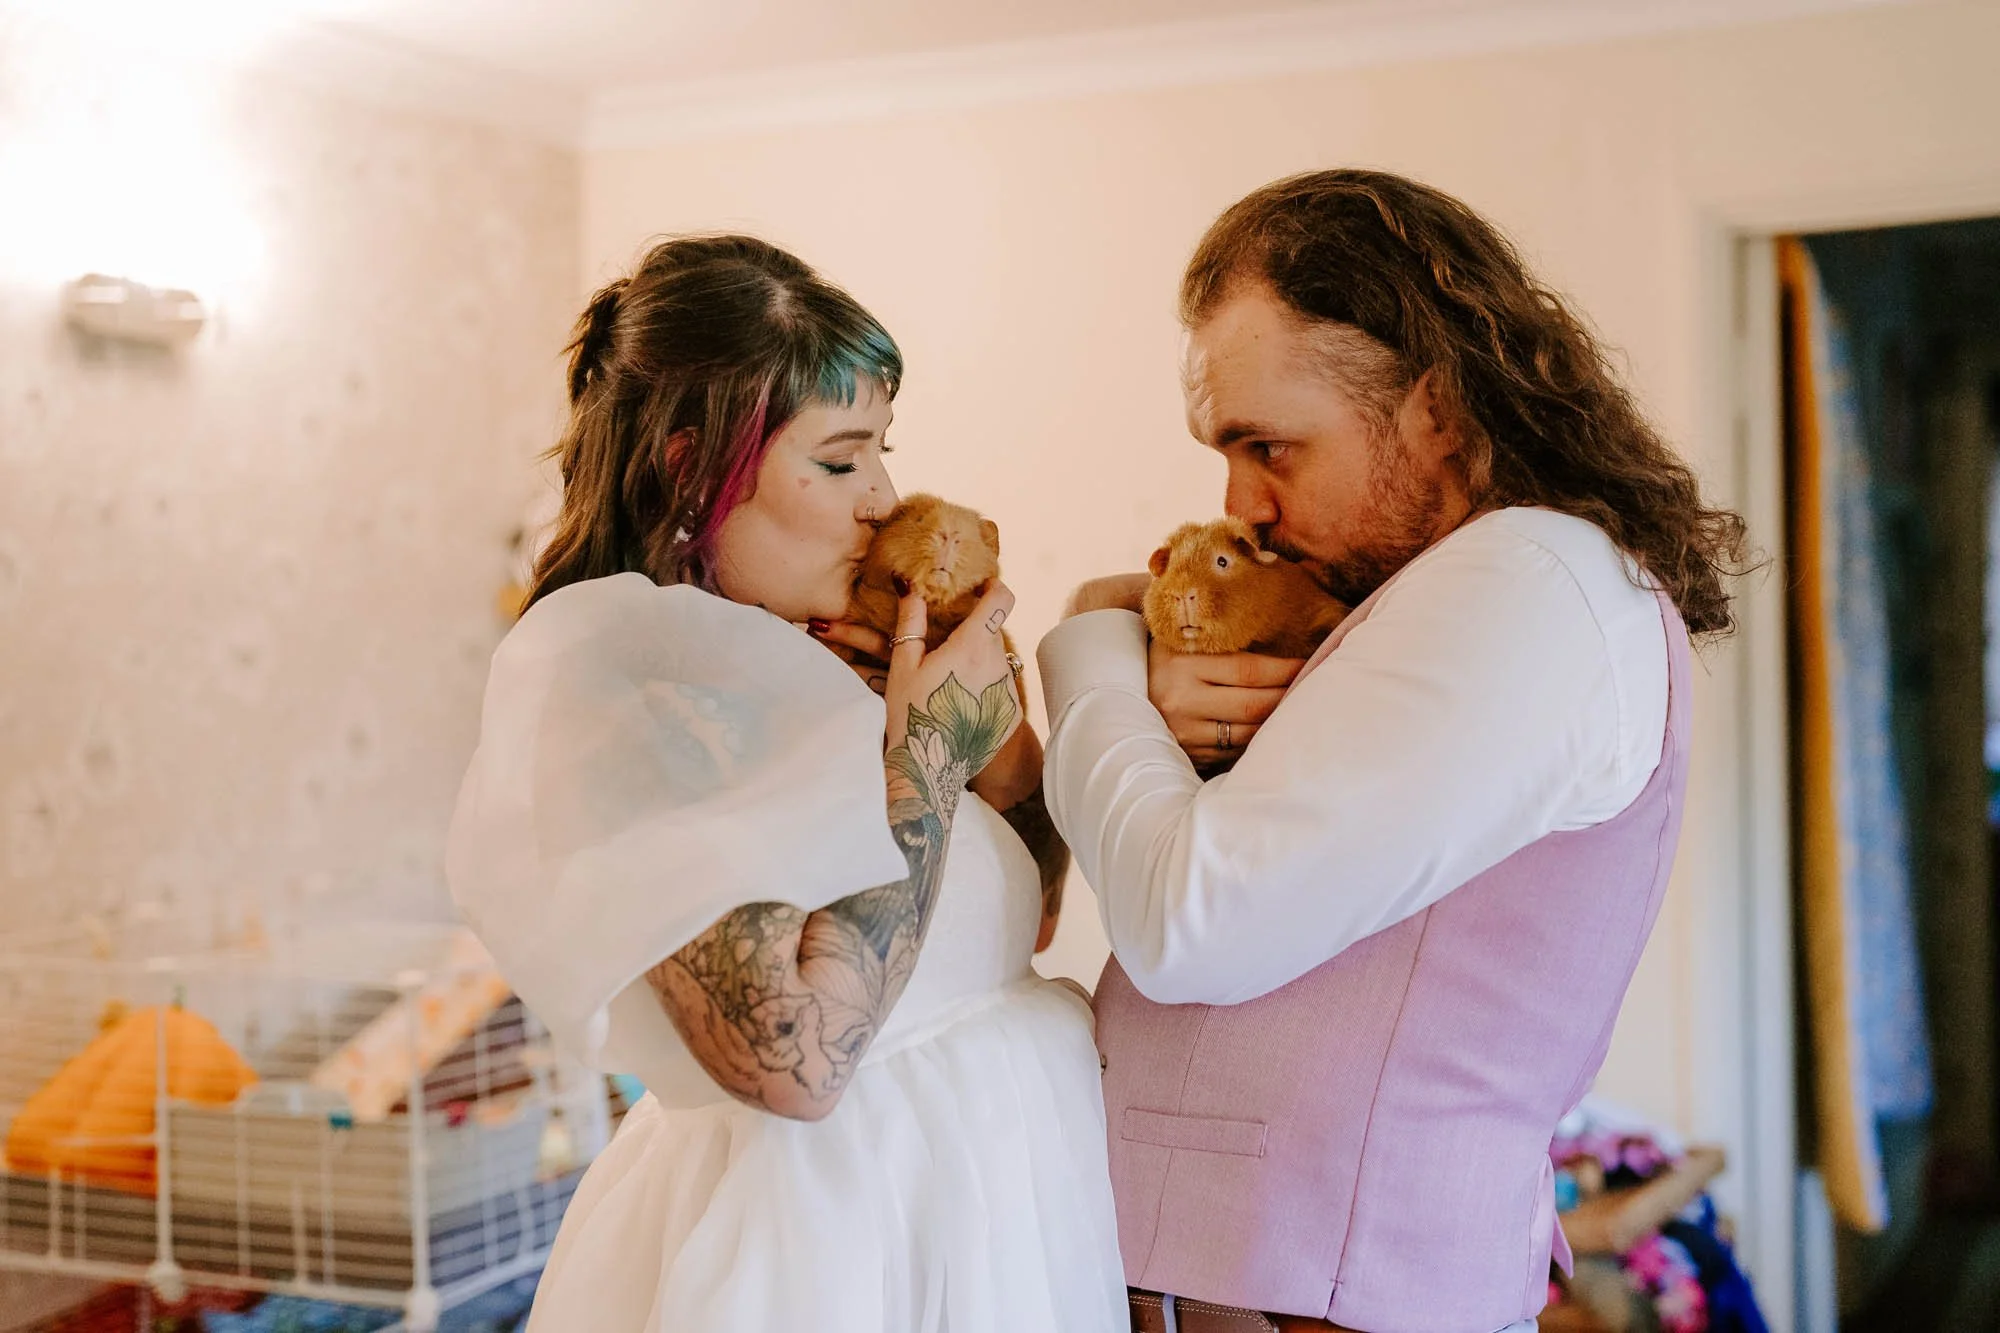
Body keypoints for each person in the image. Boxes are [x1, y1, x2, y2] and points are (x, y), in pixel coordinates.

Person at [1038, 169, 1751, 1333]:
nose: (1241, 503)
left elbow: (1189, 920)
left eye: (1270, 445)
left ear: (1435, 406)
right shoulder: (1456, 593)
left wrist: (1085, 648)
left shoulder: (1528, 577)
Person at [447, 235, 1126, 1332]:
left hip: (994, 1207)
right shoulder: (618, 693)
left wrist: (997, 744)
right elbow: (796, 1062)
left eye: (883, 453)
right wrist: (923, 757)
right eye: (840, 459)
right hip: (828, 1255)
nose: (884, 500)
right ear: (688, 470)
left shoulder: (823, 660)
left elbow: (1026, 922)